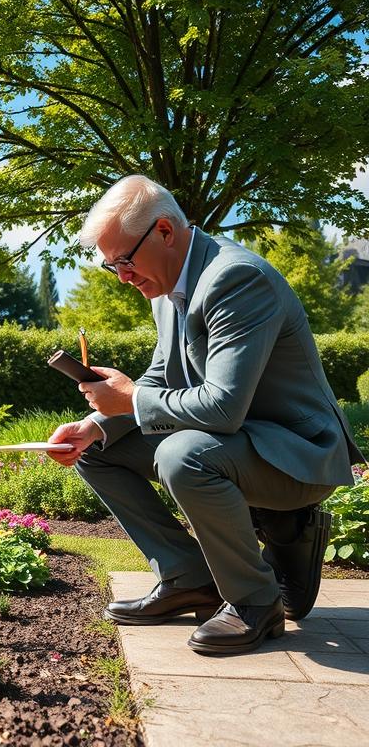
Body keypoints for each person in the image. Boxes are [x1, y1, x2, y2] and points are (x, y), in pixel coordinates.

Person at [48, 175, 363, 655]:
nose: (123, 277)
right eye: (112, 266)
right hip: (238, 444)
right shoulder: (166, 292)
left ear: (165, 232)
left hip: (296, 455)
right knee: (99, 449)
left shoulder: (237, 279)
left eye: (125, 261)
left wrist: (131, 400)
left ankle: (256, 601)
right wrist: (94, 426)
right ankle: (188, 579)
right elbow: (158, 379)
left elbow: (221, 406)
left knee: (182, 454)